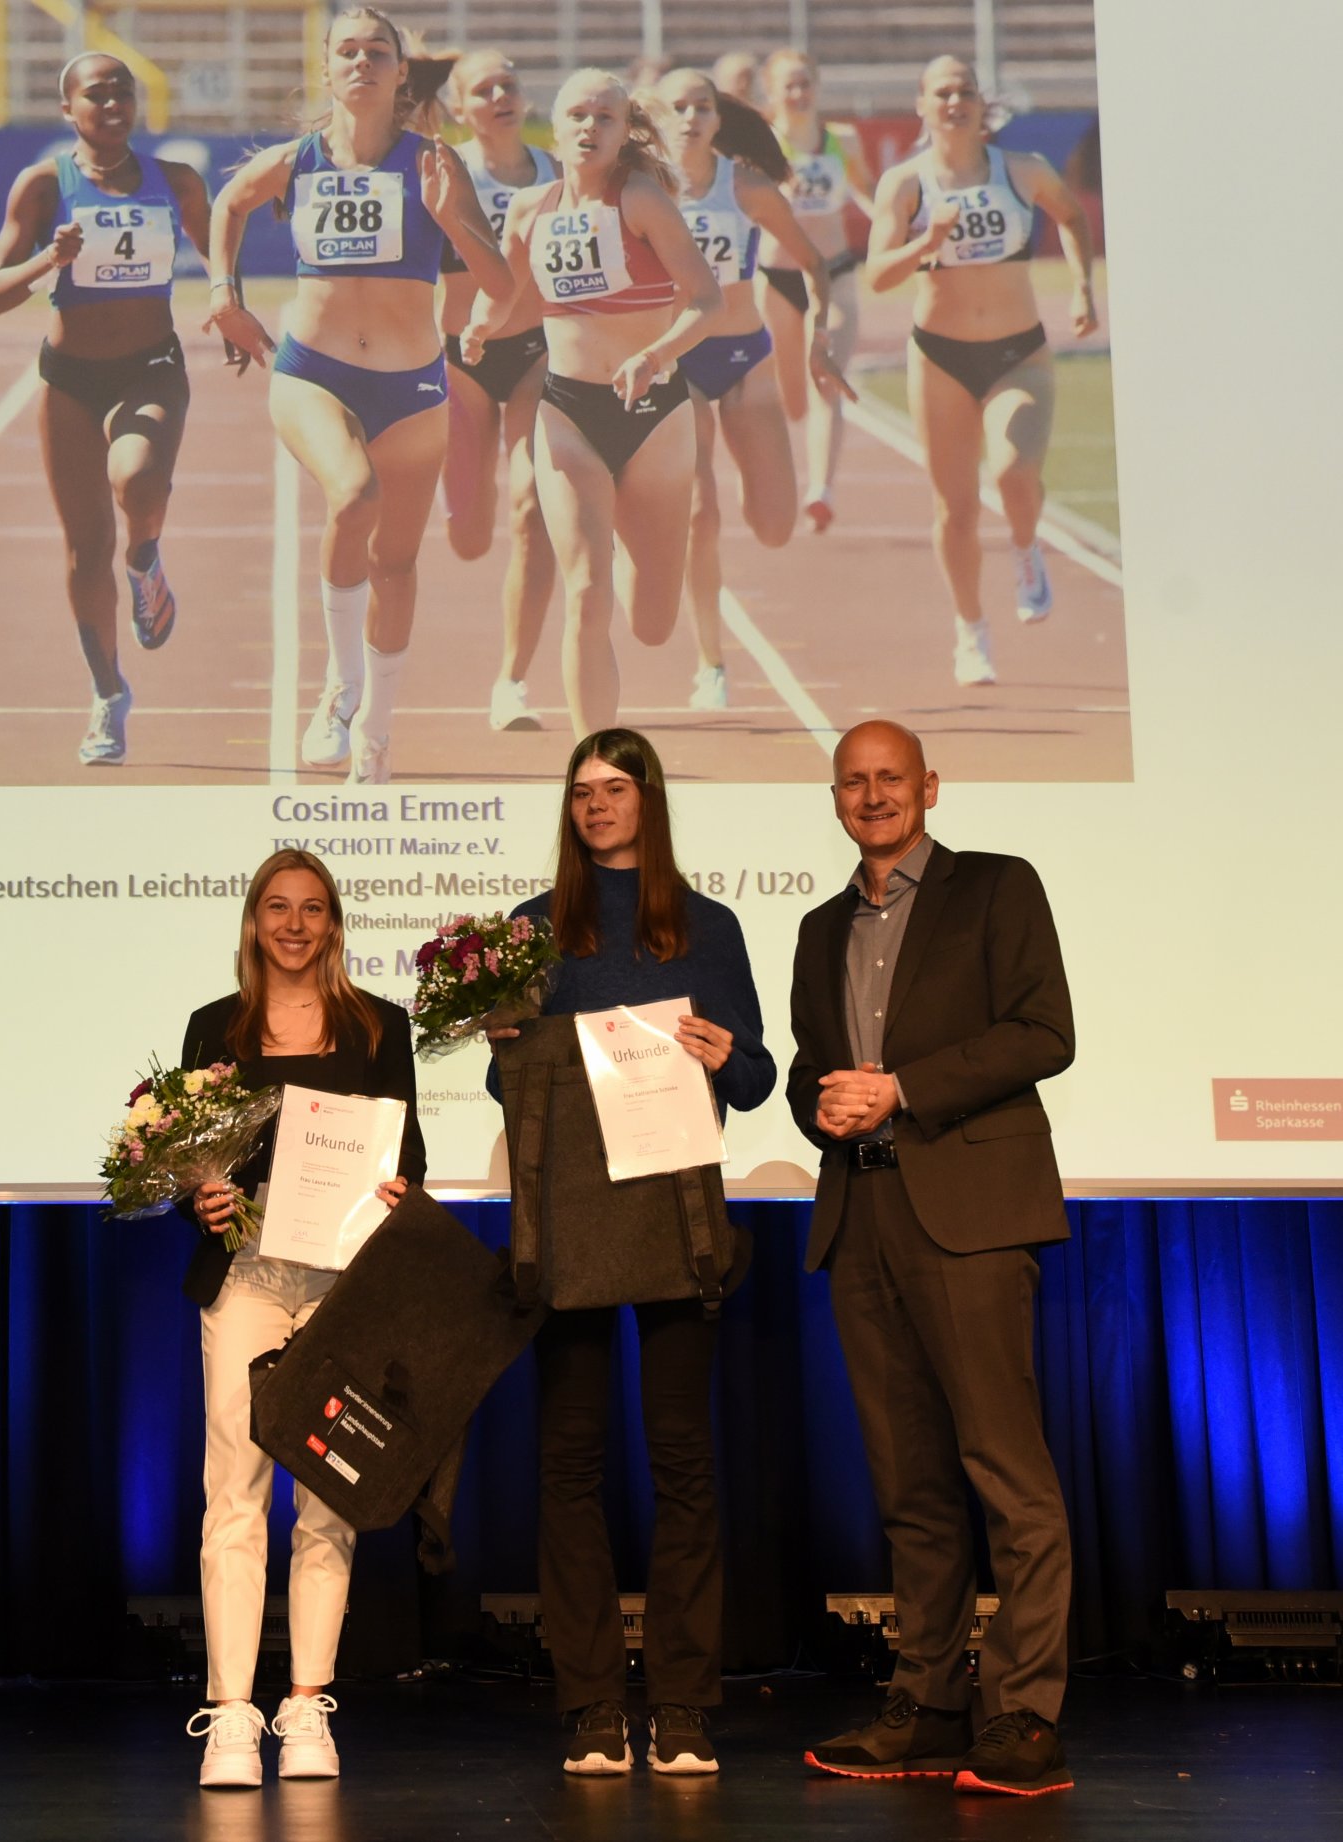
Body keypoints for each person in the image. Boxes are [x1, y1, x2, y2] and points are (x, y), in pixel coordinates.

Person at [787, 720, 1076, 1796]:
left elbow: (1046, 1033)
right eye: (854, 782)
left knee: (1008, 1474)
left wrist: (901, 1087)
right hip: (860, 1219)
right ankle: (930, 1705)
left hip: (971, 1214)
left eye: (890, 779)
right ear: (835, 799)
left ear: (930, 788)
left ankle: (1025, 1716)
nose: (873, 796)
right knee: (909, 1486)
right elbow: (814, 1070)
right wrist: (822, 1098)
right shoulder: (820, 929)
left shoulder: (998, 887)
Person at [490, 730, 774, 1775]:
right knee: (568, 1466)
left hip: (677, 1214)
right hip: (568, 1221)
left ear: (649, 799)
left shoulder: (710, 927)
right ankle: (594, 1705)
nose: (596, 806)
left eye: (615, 789)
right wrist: (506, 1049)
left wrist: (726, 1051)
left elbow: (754, 1081)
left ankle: (686, 1703)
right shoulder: (528, 930)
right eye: (580, 793)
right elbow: (507, 1093)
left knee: (683, 1464)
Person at [207, 8, 512, 784]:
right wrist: (223, 292)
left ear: (401, 73)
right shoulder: (296, 160)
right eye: (347, 50)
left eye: (379, 51)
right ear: (328, 68)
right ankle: (339, 687)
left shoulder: (436, 164)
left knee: (398, 567)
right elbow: (228, 204)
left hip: (413, 388)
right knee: (353, 493)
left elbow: (502, 287)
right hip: (313, 373)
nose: (363, 62)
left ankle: (377, 726)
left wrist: (451, 220)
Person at [178, 849, 426, 1788]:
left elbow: (412, 1157)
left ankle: (306, 1705)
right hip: (246, 1275)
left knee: (328, 1496)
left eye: (311, 909)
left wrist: (399, 1192)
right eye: (277, 908)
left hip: (343, 1285)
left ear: (333, 923)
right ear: (253, 921)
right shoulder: (216, 1027)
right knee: (234, 1487)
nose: (293, 924)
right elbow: (186, 1160)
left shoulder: (378, 1026)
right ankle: (233, 1711)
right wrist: (199, 1195)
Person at [463, 71, 724, 738]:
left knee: (654, 622)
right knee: (586, 591)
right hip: (568, 411)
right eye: (576, 115)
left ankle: (637, 544)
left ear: (622, 130)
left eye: (604, 118)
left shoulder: (641, 199)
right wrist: (481, 326)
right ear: (555, 125)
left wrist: (656, 355)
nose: (588, 127)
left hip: (656, 414)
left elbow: (705, 299)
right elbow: (507, 293)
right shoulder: (531, 208)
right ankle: (593, 758)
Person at [0, 54, 213, 766]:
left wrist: (229, 305)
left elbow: (223, 255)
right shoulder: (45, 185)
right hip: (69, 378)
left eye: (123, 92)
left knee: (138, 478)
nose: (112, 103)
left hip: (150, 367)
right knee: (85, 552)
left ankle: (146, 559)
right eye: (96, 93)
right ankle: (109, 696)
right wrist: (48, 260)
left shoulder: (175, 182)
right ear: (67, 109)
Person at [864, 56, 1097, 686]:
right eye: (941, 92)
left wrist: (1081, 289)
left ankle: (1026, 547)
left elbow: (1072, 217)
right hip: (938, 356)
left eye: (965, 90)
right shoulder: (905, 185)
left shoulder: (1023, 171)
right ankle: (971, 632)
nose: (954, 101)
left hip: (1016, 351)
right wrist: (925, 243)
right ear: (922, 105)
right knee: (955, 509)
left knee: (1015, 472)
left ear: (980, 104)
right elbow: (877, 276)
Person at [655, 68, 852, 711]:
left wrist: (819, 337)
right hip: (677, 362)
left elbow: (816, 266)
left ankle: (745, 465)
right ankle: (712, 665)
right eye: (677, 107)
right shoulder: (641, 188)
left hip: (743, 356)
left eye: (701, 107)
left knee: (772, 526)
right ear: (659, 117)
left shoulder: (748, 188)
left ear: (719, 118)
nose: (689, 117)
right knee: (696, 511)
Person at [436, 50, 560, 733]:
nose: (500, 95)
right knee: (469, 537)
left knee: (531, 505)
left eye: (509, 84)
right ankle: (459, 496)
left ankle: (512, 680)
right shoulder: (443, 174)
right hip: (459, 360)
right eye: (484, 89)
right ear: (461, 109)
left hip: (536, 354)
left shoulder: (558, 176)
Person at [757, 51, 877, 533]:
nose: (798, 93)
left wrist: (893, 223)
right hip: (778, 278)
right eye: (788, 85)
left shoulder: (841, 139)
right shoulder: (762, 143)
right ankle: (797, 469)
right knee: (792, 397)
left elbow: (864, 189)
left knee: (826, 379)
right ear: (772, 92)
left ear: (818, 86)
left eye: (805, 83)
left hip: (834, 272)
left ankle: (821, 490)